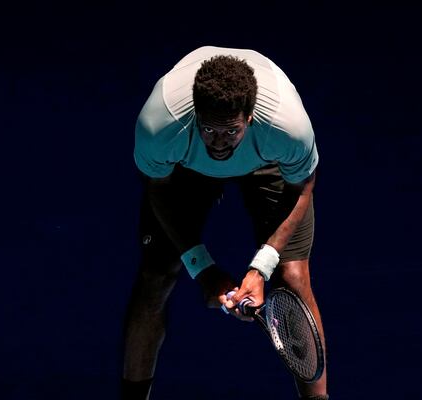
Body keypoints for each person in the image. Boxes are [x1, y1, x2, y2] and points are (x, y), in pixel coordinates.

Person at [122, 46, 328, 400]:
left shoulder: (286, 127)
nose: (219, 142)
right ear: (196, 116)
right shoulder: (161, 125)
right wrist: (202, 269)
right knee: (155, 275)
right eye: (210, 130)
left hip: (267, 161)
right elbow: (158, 189)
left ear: (248, 118)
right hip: (187, 167)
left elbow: (303, 186)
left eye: (229, 131)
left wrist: (261, 267)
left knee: (294, 277)